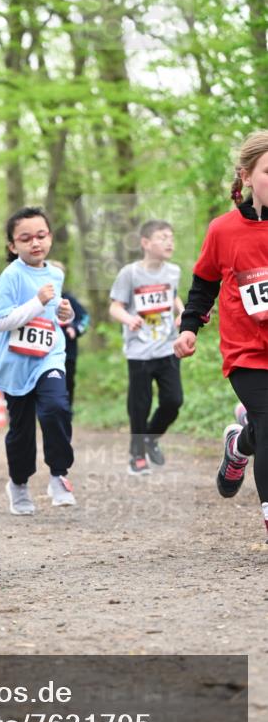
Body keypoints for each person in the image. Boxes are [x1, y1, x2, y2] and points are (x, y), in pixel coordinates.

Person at [174, 130, 268, 540]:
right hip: (246, 352)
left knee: (263, 426)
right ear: (246, 176)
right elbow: (203, 284)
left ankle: (239, 443)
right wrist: (189, 328)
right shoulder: (223, 230)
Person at [0, 207, 75, 517]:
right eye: (25, 238)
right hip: (16, 363)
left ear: (50, 237)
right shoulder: (11, 276)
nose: (35, 243)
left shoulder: (55, 273)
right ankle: (19, 483)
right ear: (13, 246)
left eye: (41, 236)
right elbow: (1, 321)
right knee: (21, 431)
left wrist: (67, 314)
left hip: (49, 355)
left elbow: (55, 316)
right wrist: (36, 301)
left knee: (56, 408)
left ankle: (58, 475)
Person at [109, 220, 184, 474]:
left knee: (173, 401)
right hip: (139, 350)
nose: (169, 241)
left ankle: (151, 437)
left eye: (171, 237)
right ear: (145, 243)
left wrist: (182, 312)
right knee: (139, 405)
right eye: (163, 237)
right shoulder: (129, 274)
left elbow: (172, 295)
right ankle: (137, 454)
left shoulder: (173, 271)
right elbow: (115, 306)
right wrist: (129, 319)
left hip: (167, 346)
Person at [49, 260, 90, 412]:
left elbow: (85, 318)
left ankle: (66, 414)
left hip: (67, 353)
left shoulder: (68, 299)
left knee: (67, 385)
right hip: (43, 352)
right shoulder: (39, 297)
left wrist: (75, 329)